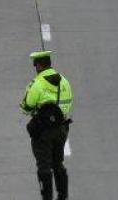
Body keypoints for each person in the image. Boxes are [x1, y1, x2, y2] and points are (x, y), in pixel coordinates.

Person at [20, 50, 73, 200]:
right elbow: (69, 103)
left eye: (35, 64)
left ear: (38, 66)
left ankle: (47, 198)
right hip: (62, 129)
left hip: (43, 131)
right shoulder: (64, 81)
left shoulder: (36, 84)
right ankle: (63, 196)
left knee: (44, 166)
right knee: (58, 163)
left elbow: (26, 107)